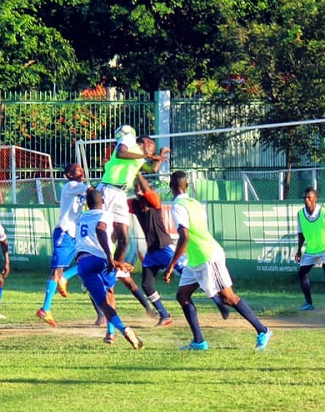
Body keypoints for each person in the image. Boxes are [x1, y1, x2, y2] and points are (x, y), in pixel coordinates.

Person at [164, 170, 272, 351]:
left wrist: (171, 265)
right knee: (182, 296)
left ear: (170, 187)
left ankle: (263, 330)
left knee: (229, 297)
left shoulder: (178, 206)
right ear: (187, 186)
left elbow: (185, 236)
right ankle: (199, 342)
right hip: (196, 259)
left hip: (208, 257)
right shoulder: (195, 203)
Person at [128, 175, 229, 326]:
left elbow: (147, 190)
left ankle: (218, 301)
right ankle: (164, 314)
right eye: (136, 189)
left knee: (195, 275)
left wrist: (138, 171)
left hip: (165, 248)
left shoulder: (154, 201)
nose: (138, 191)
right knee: (147, 285)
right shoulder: (135, 204)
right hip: (152, 251)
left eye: (141, 189)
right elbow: (115, 203)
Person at [75, 189, 144, 349]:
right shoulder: (105, 214)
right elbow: (101, 229)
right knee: (110, 294)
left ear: (87, 204)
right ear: (103, 203)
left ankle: (121, 329)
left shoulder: (81, 217)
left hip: (84, 263)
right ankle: (113, 332)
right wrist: (109, 256)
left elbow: (95, 232)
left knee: (103, 304)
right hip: (102, 260)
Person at [95, 125, 168, 268]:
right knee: (104, 232)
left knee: (124, 239)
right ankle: (96, 268)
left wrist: (161, 154)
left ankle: (114, 272)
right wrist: (146, 156)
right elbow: (120, 154)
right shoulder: (129, 140)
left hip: (121, 194)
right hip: (108, 189)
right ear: (147, 144)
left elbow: (153, 169)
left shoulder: (139, 159)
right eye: (153, 148)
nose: (152, 152)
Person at [36, 163, 90, 327]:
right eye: (75, 171)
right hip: (65, 232)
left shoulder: (79, 187)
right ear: (68, 175)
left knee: (87, 262)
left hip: (75, 233)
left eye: (81, 169)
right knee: (56, 271)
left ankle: (66, 277)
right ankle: (45, 309)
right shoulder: (70, 186)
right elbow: (92, 191)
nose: (79, 172)